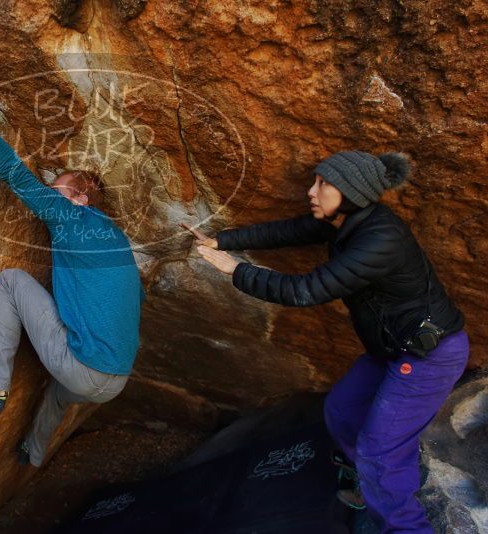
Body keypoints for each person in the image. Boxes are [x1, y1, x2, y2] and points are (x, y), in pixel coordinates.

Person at [186, 151, 468, 533]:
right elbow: (290, 231)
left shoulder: (380, 239)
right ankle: (367, 485)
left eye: (323, 184)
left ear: (351, 193)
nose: (311, 191)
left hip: (427, 356)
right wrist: (222, 240)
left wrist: (236, 270)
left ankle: (407, 527)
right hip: (391, 347)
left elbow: (306, 290)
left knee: (380, 453)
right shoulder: (349, 220)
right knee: (342, 408)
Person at [0, 55, 144, 467]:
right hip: (115, 381)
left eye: (57, 188)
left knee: (10, 281)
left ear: (79, 197)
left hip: (84, 369)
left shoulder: (70, 215)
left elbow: (12, 171)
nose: (49, 193)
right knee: (60, 394)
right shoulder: (116, 242)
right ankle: (34, 452)